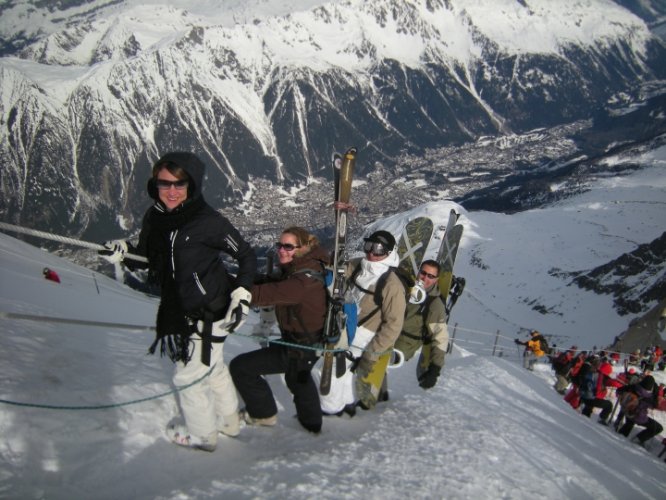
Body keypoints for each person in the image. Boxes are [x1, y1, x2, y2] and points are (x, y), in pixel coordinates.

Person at [98, 151, 256, 452]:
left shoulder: (208, 221)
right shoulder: (155, 217)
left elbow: (245, 254)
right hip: (184, 308)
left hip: (211, 309)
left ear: (192, 185)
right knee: (213, 365)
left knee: (188, 376)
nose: (171, 191)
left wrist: (242, 294)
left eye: (179, 184)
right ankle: (230, 421)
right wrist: (125, 251)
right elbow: (147, 257)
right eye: (164, 183)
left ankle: (203, 436)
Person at [229, 227, 329, 434]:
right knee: (298, 378)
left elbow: (264, 294)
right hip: (305, 343)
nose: (281, 250)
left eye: (288, 246)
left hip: (299, 345)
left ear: (302, 248)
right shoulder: (303, 268)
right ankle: (312, 424)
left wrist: (226, 287)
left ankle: (263, 414)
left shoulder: (302, 281)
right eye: (280, 245)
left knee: (242, 367)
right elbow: (272, 283)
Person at [317, 230, 406, 414]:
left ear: (389, 253)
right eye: (368, 246)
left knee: (331, 370)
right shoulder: (359, 266)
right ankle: (347, 405)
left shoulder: (391, 285)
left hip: (364, 335)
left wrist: (372, 353)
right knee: (345, 372)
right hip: (346, 324)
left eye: (378, 249)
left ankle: (329, 411)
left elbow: (393, 325)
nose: (371, 253)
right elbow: (339, 272)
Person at [393, 259, 448, 390]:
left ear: (436, 280)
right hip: (388, 331)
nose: (425, 278)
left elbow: (440, 336)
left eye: (431, 276)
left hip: (405, 343)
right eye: (423, 273)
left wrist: (435, 369)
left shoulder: (434, 304)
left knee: (378, 356)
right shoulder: (409, 288)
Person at [617, 375, 664, 447]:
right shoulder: (649, 397)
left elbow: (619, 390)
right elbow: (655, 405)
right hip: (638, 417)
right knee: (658, 428)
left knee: (630, 421)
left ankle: (622, 433)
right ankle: (638, 439)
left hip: (627, 411)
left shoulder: (633, 387)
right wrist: (656, 392)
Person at [580, 360, 623, 425]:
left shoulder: (593, 372)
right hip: (593, 398)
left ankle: (584, 416)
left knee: (589, 406)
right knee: (609, 405)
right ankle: (602, 419)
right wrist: (621, 385)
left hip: (584, 395)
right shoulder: (601, 376)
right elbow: (612, 382)